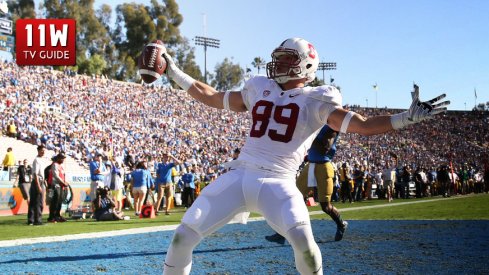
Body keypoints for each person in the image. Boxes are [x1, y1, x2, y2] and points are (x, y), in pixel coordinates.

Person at [160, 37, 449, 274]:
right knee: (183, 237)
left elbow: (361, 125)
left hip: (279, 181)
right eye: (280, 57)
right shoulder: (259, 87)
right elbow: (211, 95)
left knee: (305, 246)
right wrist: (174, 72)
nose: (279, 63)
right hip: (239, 173)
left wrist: (403, 119)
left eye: (288, 59)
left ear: (306, 66)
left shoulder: (317, 100)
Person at [265, 125, 348, 245]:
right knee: (291, 197)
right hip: (310, 165)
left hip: (324, 166)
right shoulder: (318, 124)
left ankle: (341, 224)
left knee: (325, 206)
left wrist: (309, 135)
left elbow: (325, 147)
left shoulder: (331, 126)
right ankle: (281, 234)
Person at [47, 152, 70, 223]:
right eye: (62, 158)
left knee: (59, 202)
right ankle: (51, 217)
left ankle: (57, 216)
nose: (63, 160)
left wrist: (66, 182)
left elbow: (63, 175)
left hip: (61, 186)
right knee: (54, 201)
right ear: (59, 158)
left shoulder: (61, 166)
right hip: (55, 185)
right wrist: (63, 182)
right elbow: (56, 175)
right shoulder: (55, 165)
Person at [27, 145, 46, 226]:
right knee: (38, 201)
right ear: (38, 150)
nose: (43, 152)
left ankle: (31, 219)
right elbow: (35, 174)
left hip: (41, 181)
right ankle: (37, 220)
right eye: (42, 150)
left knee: (34, 201)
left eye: (44, 150)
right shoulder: (36, 160)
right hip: (37, 182)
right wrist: (38, 185)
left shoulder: (42, 160)